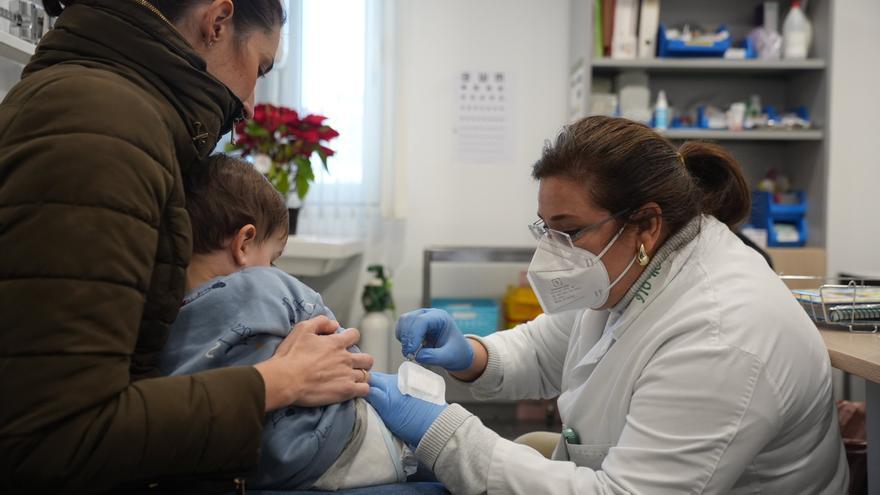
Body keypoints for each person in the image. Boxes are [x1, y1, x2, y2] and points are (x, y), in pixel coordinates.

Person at [0, 1, 372, 492]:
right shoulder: (101, 128)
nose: (252, 104)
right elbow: (54, 436)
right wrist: (281, 380)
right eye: (259, 67)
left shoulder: (117, 116)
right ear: (217, 23)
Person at [367, 116, 849, 494]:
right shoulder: (635, 264)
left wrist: (444, 433)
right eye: (545, 229)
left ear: (646, 223)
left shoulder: (722, 334)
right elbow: (546, 348)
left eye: (569, 230)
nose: (554, 250)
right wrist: (471, 355)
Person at [160, 155, 413, 490]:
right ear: (244, 243)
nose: (273, 269)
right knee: (421, 420)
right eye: (273, 258)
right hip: (339, 442)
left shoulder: (163, 321)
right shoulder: (266, 284)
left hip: (259, 471)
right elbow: (342, 349)